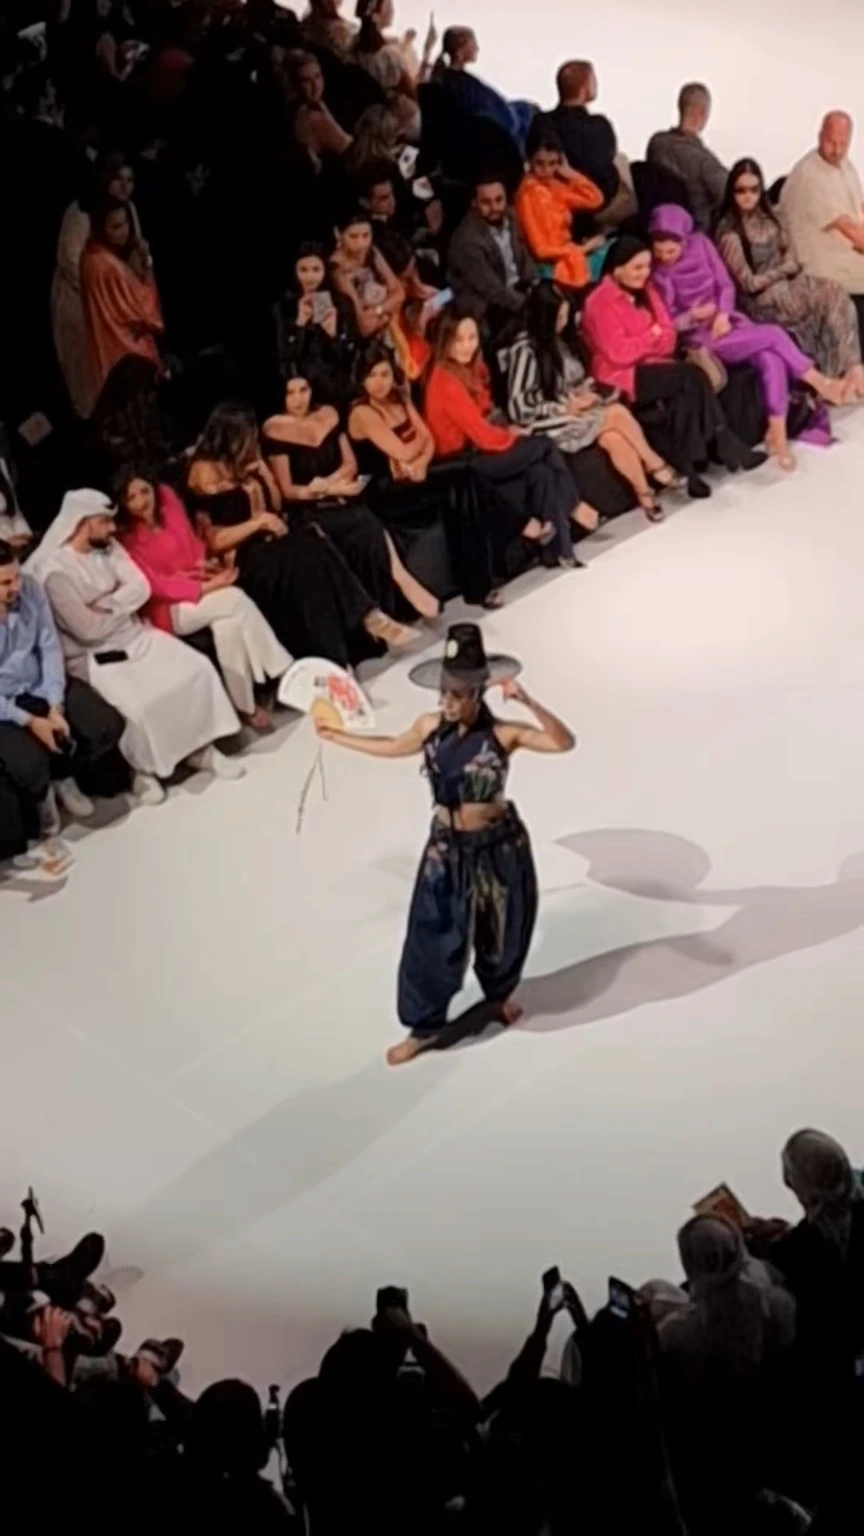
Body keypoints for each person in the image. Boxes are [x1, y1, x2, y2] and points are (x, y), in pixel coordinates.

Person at [315, 622, 574, 1064]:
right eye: (443, 694)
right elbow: (393, 746)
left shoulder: (504, 735)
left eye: (457, 695)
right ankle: (423, 1027)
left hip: (498, 846)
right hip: (446, 847)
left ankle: (498, 998)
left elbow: (562, 742)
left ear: (478, 693)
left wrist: (528, 702)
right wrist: (337, 736)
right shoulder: (430, 728)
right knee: (431, 932)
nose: (447, 703)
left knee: (502, 928)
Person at [29, 490, 244, 806]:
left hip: (136, 634)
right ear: (82, 523)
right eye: (104, 521)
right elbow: (87, 630)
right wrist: (120, 602)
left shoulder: (109, 546)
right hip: (95, 656)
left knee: (196, 669)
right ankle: (141, 773)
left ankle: (201, 750)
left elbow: (140, 587)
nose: (112, 528)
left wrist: (107, 604)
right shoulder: (54, 573)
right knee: (138, 705)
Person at [188, 403, 418, 666]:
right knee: (308, 548)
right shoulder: (204, 471)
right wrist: (258, 523)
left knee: (313, 552)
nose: (252, 442)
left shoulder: (246, 461)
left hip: (271, 544)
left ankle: (347, 646)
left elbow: (275, 505)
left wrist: (265, 475)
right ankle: (365, 618)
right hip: (244, 558)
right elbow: (213, 540)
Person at [649, 203, 846, 470]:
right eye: (659, 251)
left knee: (769, 358)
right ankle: (819, 381)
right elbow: (667, 322)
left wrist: (723, 313)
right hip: (701, 339)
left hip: (727, 322)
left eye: (671, 251)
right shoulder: (657, 274)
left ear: (684, 240)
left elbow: (725, 284)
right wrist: (692, 315)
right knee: (773, 335)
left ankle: (777, 433)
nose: (665, 257)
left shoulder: (702, 245)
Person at [582, 237, 764, 496]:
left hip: (657, 365)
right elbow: (619, 353)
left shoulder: (648, 290)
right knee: (690, 376)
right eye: (637, 267)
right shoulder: (598, 302)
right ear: (617, 269)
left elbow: (668, 337)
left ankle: (691, 472)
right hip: (622, 376)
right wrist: (652, 336)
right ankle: (723, 439)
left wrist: (650, 339)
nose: (644, 273)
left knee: (683, 396)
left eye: (647, 266)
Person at [114, 470, 291, 730]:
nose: (141, 501)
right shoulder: (125, 539)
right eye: (131, 498)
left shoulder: (167, 501)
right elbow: (155, 585)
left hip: (197, 587)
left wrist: (204, 567)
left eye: (144, 491)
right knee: (234, 599)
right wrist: (207, 587)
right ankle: (286, 672)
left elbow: (191, 545)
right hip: (165, 608)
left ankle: (245, 707)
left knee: (228, 627)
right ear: (123, 503)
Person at [498, 281, 687, 520]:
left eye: (565, 316)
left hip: (573, 412)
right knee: (616, 413)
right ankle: (656, 465)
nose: (562, 323)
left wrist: (585, 394)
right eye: (558, 317)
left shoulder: (557, 341)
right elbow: (519, 407)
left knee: (613, 437)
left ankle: (645, 496)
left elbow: (570, 382)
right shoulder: (524, 350)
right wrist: (563, 407)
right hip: (545, 423)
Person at [262, 368, 438, 618]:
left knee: (365, 521)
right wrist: (321, 491)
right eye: (291, 393)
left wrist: (331, 484)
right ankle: (383, 601)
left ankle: (397, 593)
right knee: (353, 523)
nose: (299, 399)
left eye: (304, 390)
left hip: (341, 494)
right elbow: (288, 490)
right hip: (308, 507)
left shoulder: (328, 414)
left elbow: (350, 464)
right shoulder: (274, 429)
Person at [0, 538, 128, 871]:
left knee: (106, 724)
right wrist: (30, 720)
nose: (15, 587)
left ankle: (65, 775)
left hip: (39, 683)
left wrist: (54, 704)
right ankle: (43, 802)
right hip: (4, 704)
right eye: (5, 583)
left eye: (16, 577)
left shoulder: (30, 588)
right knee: (29, 763)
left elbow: (49, 647)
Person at [425, 310, 588, 551]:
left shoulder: (468, 370)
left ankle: (559, 549)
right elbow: (481, 434)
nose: (467, 346)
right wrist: (512, 434)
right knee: (543, 445)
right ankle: (575, 506)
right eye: (459, 340)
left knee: (540, 471)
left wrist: (508, 431)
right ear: (445, 341)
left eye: (472, 338)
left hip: (479, 451)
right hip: (466, 463)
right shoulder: (446, 381)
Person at [716, 159, 864, 394]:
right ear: (731, 192)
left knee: (834, 292)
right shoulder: (730, 232)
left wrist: (787, 269)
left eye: (754, 189)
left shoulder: (770, 218)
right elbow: (749, 283)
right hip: (760, 300)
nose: (748, 196)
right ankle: (834, 379)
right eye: (741, 190)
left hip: (787, 286)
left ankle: (851, 370)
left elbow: (792, 257)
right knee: (819, 299)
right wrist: (782, 271)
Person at [51, 152, 140, 419]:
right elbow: (71, 261)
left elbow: (136, 251)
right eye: (118, 179)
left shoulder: (129, 208)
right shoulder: (81, 212)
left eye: (130, 180)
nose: (124, 187)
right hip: (82, 306)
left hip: (117, 306)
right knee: (87, 380)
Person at [780, 112, 864, 333]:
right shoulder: (810, 174)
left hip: (844, 255)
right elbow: (851, 231)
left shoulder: (846, 166)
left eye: (842, 144)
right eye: (831, 142)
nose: (836, 150)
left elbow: (859, 209)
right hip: (819, 266)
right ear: (819, 136)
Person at [80, 198, 164, 404]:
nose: (124, 231)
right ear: (101, 229)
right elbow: (148, 314)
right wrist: (147, 263)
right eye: (116, 227)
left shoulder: (89, 257)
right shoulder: (110, 267)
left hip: (107, 352)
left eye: (126, 223)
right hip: (128, 353)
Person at [538, 60, 635, 225]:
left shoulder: (542, 122)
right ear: (584, 89)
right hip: (597, 202)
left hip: (556, 200)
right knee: (622, 161)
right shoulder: (599, 125)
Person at [514, 130, 604, 292]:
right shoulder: (528, 195)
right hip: (548, 267)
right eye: (540, 163)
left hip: (568, 256)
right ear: (529, 161)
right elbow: (541, 251)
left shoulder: (553, 186)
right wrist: (584, 249)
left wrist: (570, 173)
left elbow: (595, 200)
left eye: (553, 163)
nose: (546, 170)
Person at [447, 177, 538, 336]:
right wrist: (529, 305)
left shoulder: (510, 216)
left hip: (514, 290)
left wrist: (535, 285)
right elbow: (491, 288)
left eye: (498, 200)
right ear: (474, 203)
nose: (494, 207)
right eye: (486, 202)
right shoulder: (467, 240)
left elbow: (523, 254)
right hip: (486, 306)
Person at [273, 243, 357, 408]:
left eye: (316, 270)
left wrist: (333, 335)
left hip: (333, 385)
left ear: (324, 271)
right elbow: (284, 357)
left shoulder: (341, 304)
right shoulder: (285, 306)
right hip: (298, 387)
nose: (310, 277)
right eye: (303, 270)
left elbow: (349, 355)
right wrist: (299, 324)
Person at [430, 26, 535, 152]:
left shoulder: (451, 80)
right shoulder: (460, 85)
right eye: (473, 44)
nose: (477, 48)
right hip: (487, 134)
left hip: (489, 123)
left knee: (526, 108)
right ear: (461, 51)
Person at [646, 83, 728, 233]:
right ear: (702, 113)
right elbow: (729, 193)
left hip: (656, 226)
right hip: (696, 233)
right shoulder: (704, 160)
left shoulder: (656, 144)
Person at [329, 209, 405, 340]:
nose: (361, 243)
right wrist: (388, 313)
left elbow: (400, 293)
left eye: (366, 236)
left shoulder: (371, 252)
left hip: (381, 318)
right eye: (353, 236)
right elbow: (363, 326)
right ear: (338, 234)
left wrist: (379, 310)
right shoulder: (337, 270)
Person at [287, 50, 353, 171]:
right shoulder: (310, 116)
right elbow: (353, 152)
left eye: (317, 76)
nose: (315, 85)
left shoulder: (317, 106)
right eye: (306, 80)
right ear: (295, 85)